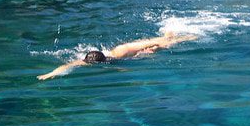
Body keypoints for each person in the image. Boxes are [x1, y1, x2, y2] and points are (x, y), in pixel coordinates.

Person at [37, 33, 198, 81]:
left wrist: (147, 53)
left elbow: (134, 56)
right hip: (125, 53)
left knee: (161, 44)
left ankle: (184, 36)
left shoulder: (119, 54)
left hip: (130, 50)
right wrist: (50, 74)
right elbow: (68, 65)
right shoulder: (88, 60)